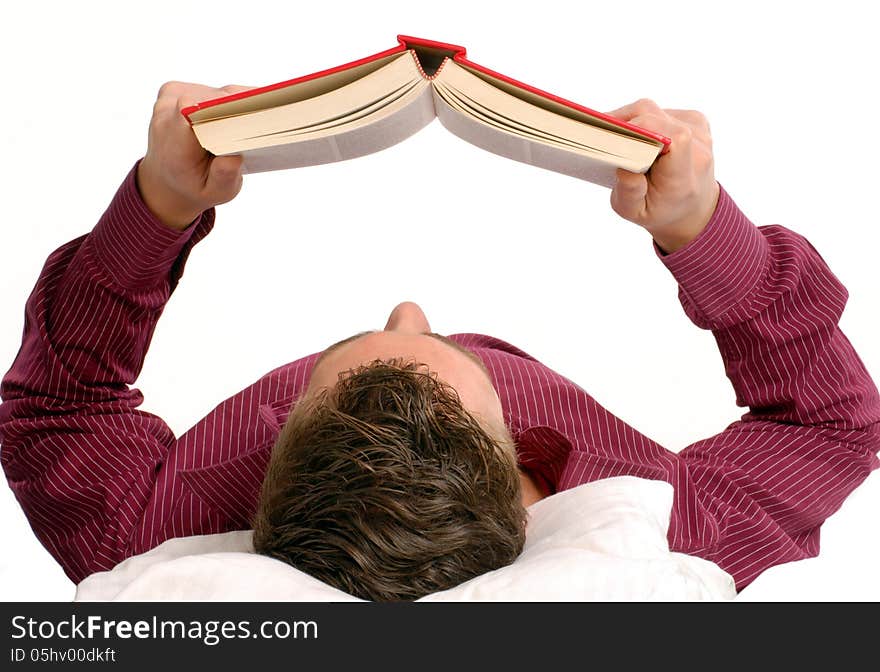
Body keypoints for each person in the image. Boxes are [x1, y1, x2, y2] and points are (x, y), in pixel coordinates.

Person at [1, 81, 878, 602]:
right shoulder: (676, 525)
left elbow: (55, 401)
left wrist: (159, 203)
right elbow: (833, 426)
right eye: (451, 354)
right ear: (528, 489)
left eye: (318, 377)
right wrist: (698, 228)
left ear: (274, 457)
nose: (412, 309)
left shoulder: (143, 531)